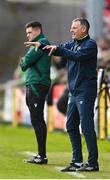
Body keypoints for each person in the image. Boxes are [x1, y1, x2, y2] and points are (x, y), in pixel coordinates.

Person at [25, 18, 99, 172]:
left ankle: (92, 163)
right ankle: (77, 161)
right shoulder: (72, 44)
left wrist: (59, 49)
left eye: (74, 28)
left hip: (85, 91)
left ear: (84, 29)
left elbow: (75, 56)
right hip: (73, 91)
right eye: (71, 27)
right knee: (71, 125)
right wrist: (43, 46)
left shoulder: (90, 45)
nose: (71, 30)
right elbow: (58, 49)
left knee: (86, 127)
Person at [20, 21, 51, 164]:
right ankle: (40, 154)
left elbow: (25, 62)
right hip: (33, 84)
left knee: (37, 119)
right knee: (36, 119)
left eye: (30, 32)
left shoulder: (42, 42)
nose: (27, 35)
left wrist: (25, 61)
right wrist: (25, 62)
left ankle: (42, 155)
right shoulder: (36, 44)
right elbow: (24, 64)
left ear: (38, 31)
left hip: (37, 85)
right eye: (27, 33)